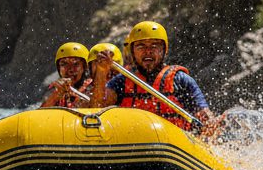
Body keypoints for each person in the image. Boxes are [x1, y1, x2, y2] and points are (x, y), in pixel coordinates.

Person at [90, 20, 219, 134]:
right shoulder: (121, 81)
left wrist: (209, 123)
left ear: (164, 50)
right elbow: (97, 108)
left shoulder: (181, 80)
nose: (148, 51)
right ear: (132, 51)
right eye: (141, 46)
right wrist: (101, 72)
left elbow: (204, 114)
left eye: (155, 45)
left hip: (173, 145)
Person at [39, 41, 92, 108]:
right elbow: (40, 112)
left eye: (76, 64)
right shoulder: (55, 88)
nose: (70, 70)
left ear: (85, 67)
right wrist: (56, 94)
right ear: (59, 68)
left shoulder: (93, 87)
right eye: (64, 64)